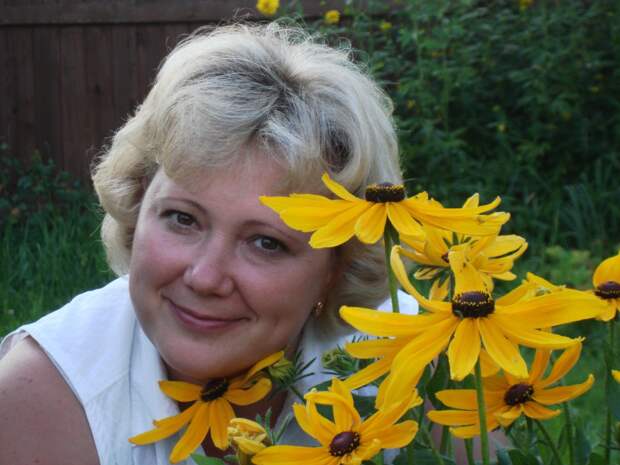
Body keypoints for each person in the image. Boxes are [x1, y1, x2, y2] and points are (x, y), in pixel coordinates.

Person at [0, 23, 418, 465]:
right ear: (138, 205)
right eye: (183, 219)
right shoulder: (36, 401)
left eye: (266, 243)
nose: (205, 277)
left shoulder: (413, 364)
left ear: (337, 267)